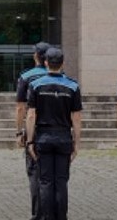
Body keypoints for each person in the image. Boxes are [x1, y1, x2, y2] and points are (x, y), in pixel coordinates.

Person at [25, 47, 82, 220]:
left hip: (43, 137)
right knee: (61, 181)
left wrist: (30, 141)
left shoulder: (36, 85)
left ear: (46, 63)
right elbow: (76, 117)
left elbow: (31, 115)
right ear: (63, 63)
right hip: (64, 137)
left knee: (45, 181)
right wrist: (76, 143)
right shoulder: (73, 86)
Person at [14, 42, 51, 220]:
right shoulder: (60, 77)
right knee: (55, 176)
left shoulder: (26, 76)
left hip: (34, 130)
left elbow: (21, 108)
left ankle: (38, 214)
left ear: (36, 56)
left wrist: (19, 131)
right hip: (57, 130)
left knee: (35, 174)